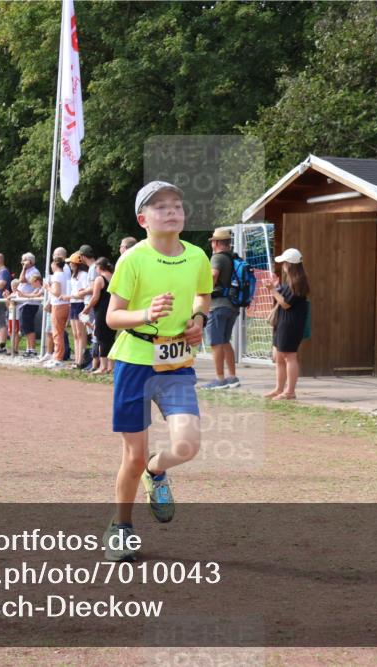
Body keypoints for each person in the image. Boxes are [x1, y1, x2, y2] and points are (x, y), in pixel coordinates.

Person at [103, 181, 212, 562]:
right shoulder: (133, 259)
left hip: (176, 363)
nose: (171, 212)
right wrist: (146, 314)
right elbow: (113, 317)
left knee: (187, 445)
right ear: (142, 219)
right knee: (132, 457)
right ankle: (121, 527)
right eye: (161, 207)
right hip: (135, 362)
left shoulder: (197, 256)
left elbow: (203, 295)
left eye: (177, 205)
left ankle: (157, 470)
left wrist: (199, 318)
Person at [264, 248, 310, 400]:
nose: (282, 265)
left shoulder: (298, 282)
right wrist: (277, 287)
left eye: (284, 262)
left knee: (289, 356)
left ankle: (290, 391)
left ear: (290, 264)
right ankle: (279, 389)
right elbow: (284, 298)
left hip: (291, 323)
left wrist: (272, 290)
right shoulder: (291, 281)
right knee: (278, 356)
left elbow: (285, 303)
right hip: (283, 322)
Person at [202, 227, 241, 389]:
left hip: (217, 306)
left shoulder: (217, 257)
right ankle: (232, 377)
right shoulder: (232, 257)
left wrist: (204, 291)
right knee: (225, 341)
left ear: (216, 243)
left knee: (215, 343)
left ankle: (220, 379)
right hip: (232, 305)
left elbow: (213, 275)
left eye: (213, 242)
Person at [86, 257, 116, 374]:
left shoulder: (99, 279)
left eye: (96, 267)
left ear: (99, 267)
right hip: (113, 309)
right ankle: (111, 366)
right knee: (110, 338)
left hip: (102, 311)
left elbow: (95, 297)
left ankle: (103, 366)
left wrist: (87, 308)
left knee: (101, 337)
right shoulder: (114, 277)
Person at [67, 251, 92, 369]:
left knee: (81, 333)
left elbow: (85, 292)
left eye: (71, 263)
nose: (70, 265)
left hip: (80, 304)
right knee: (75, 334)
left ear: (76, 263)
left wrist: (73, 296)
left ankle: (81, 360)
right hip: (73, 304)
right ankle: (77, 359)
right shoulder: (73, 276)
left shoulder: (84, 275)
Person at [45, 256, 71, 368]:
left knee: (57, 333)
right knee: (59, 332)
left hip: (58, 305)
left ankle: (58, 357)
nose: (51, 266)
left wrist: (47, 287)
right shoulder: (64, 275)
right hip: (65, 305)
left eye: (52, 264)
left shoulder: (56, 275)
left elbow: (56, 292)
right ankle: (58, 356)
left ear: (55, 264)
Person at [16, 253, 43, 357]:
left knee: (28, 326)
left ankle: (32, 349)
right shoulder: (28, 271)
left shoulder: (34, 271)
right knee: (25, 326)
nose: (22, 262)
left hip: (30, 303)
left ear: (30, 261)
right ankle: (29, 348)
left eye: (24, 260)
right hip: (25, 302)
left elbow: (21, 280)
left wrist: (24, 268)